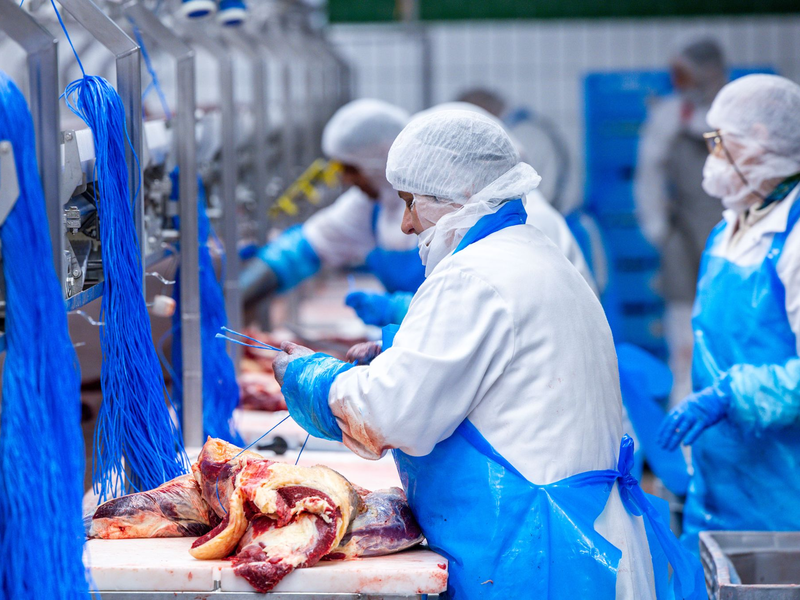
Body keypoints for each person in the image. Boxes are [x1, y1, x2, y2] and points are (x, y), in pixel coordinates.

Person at [273, 110, 704, 599]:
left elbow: (392, 414)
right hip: (572, 541)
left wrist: (315, 379)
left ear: (454, 196)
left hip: (538, 554)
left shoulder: (475, 275)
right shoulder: (526, 251)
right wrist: (403, 352)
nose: (408, 224)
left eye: (411, 203)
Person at [658, 74, 800, 552]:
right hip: (718, 481)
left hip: (784, 491)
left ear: (760, 143)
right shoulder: (727, 230)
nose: (712, 158)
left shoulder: (795, 239)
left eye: (721, 143)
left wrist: (731, 394)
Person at [346, 101, 595, 329]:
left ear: (461, 184)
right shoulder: (495, 224)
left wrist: (402, 312)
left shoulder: (524, 228)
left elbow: (471, 321)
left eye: (413, 201)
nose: (406, 226)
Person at [239, 99, 423, 310]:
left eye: (351, 169)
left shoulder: (437, 206)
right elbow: (302, 250)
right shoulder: (369, 206)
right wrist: (237, 291)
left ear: (382, 157)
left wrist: (399, 311)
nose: (345, 179)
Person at [634, 39, 727, 405]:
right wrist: (658, 228)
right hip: (684, 238)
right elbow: (648, 177)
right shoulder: (670, 116)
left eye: (686, 74)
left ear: (711, 71)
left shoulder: (734, 111)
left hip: (730, 235)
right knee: (683, 331)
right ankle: (685, 403)